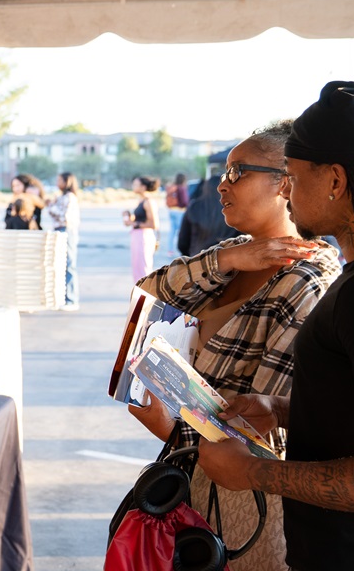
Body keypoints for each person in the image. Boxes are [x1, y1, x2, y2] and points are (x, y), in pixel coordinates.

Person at [198, 81, 354, 570]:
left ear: (334, 180)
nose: (286, 191)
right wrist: (283, 409)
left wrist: (254, 472)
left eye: (292, 176)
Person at [129, 121, 340, 570]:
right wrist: (227, 257)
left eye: (236, 172)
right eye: (225, 172)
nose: (221, 184)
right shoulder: (235, 255)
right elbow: (146, 295)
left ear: (285, 183)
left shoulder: (307, 282)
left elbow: (266, 433)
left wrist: (170, 429)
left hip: (244, 510)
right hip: (192, 483)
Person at [178, 172, 242, 257]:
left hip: (197, 261)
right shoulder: (235, 209)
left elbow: (182, 243)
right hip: (228, 262)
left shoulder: (194, 207)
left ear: (205, 188)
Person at [47, 172, 81, 311]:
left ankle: (72, 299)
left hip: (66, 229)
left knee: (69, 264)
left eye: (59, 180)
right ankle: (65, 298)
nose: (57, 182)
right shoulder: (61, 197)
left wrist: (51, 206)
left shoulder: (69, 197)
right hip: (60, 229)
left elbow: (64, 216)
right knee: (61, 264)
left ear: (67, 182)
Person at [123, 176, 159, 281]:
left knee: (143, 270)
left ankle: (144, 297)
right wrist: (130, 218)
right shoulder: (141, 201)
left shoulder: (148, 202)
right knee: (137, 269)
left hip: (144, 237)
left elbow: (154, 224)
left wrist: (135, 224)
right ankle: (140, 297)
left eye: (135, 185)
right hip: (138, 236)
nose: (133, 187)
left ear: (143, 187)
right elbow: (139, 220)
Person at [165, 172, 189, 254]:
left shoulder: (172, 187)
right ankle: (180, 251)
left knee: (172, 231)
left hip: (171, 210)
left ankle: (170, 250)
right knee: (181, 231)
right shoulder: (181, 188)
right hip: (179, 211)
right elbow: (185, 201)